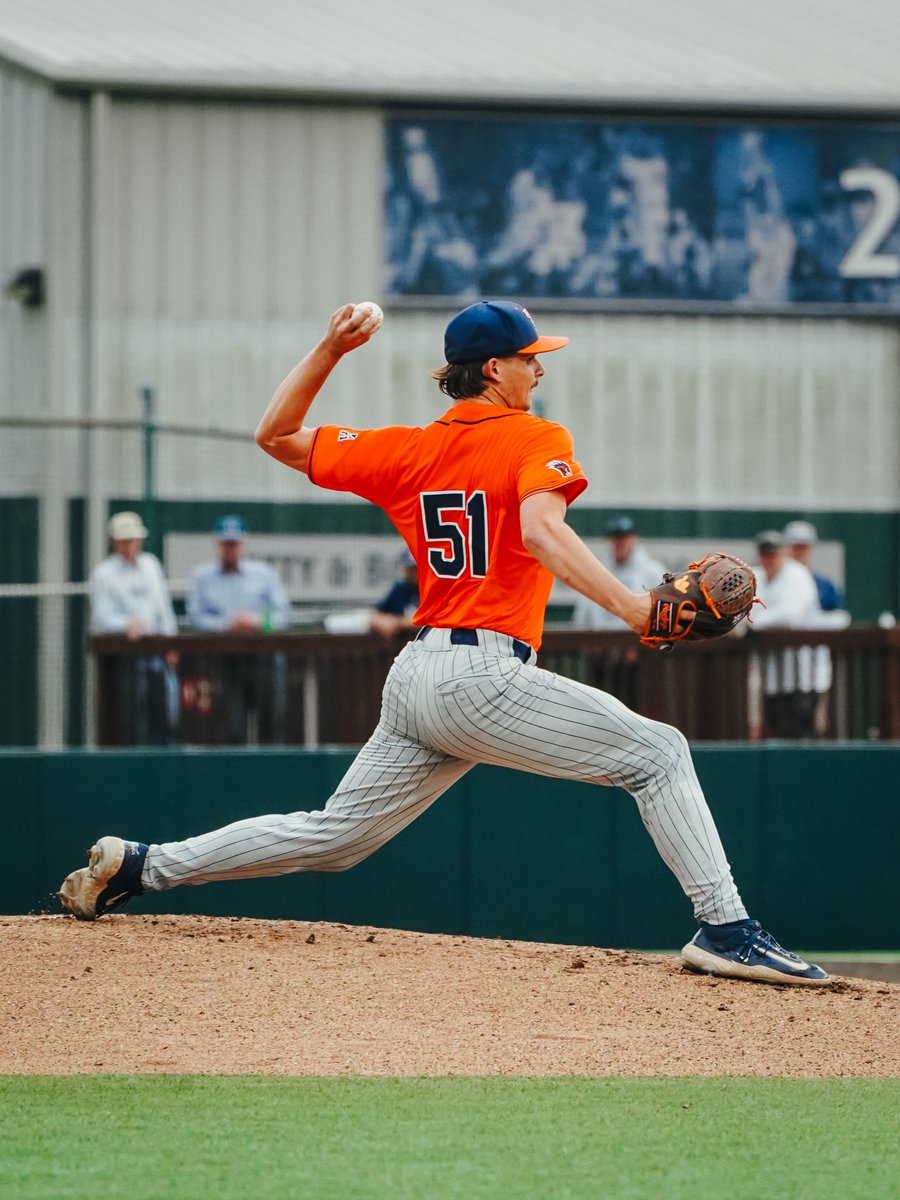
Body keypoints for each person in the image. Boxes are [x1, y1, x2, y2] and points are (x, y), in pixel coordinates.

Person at [58, 300, 827, 987]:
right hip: (481, 676)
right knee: (659, 754)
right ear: (494, 368)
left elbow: (277, 435)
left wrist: (331, 350)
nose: (537, 369)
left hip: (419, 675)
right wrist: (631, 605)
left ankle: (142, 865)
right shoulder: (536, 436)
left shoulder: (408, 450)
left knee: (335, 837)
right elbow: (538, 528)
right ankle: (727, 929)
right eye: (530, 358)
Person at [187, 515, 291, 744]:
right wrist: (227, 625)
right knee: (232, 725)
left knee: (270, 723)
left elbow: (282, 615)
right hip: (225, 659)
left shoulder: (262, 573)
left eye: (234, 543)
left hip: (263, 658)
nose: (230, 548)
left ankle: (271, 775)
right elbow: (196, 617)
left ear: (242, 543)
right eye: (226, 543)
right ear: (218, 544)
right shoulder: (203, 577)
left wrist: (255, 621)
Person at [89, 510, 179, 746]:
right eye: (124, 540)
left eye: (133, 539)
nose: (129, 545)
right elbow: (101, 618)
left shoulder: (151, 565)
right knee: (130, 717)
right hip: (124, 659)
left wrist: (171, 643)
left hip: (156, 657)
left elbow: (163, 608)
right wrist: (125, 625)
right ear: (114, 542)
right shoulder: (104, 573)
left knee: (163, 715)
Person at [748, 530, 838, 739]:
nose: (769, 558)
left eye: (774, 553)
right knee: (776, 726)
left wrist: (754, 622)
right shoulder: (757, 575)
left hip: (804, 673)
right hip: (772, 674)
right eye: (765, 554)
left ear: (784, 554)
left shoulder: (797, 575)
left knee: (801, 729)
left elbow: (789, 614)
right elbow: (742, 610)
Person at [570, 517, 668, 708]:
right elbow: (583, 614)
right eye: (616, 537)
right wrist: (590, 645)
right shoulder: (598, 568)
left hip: (637, 658)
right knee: (602, 708)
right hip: (601, 657)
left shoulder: (650, 570)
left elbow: (663, 611)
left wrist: (641, 646)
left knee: (637, 707)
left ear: (633, 538)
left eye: (624, 536)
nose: (620, 542)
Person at [782, 520, 846, 612]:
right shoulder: (775, 580)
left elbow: (838, 615)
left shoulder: (824, 585)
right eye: (796, 547)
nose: (800, 552)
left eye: (804, 547)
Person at [368, 548, 420, 637]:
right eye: (409, 568)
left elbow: (432, 621)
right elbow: (375, 616)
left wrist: (399, 622)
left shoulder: (432, 589)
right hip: (406, 644)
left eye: (415, 568)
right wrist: (385, 622)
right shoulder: (401, 588)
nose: (412, 572)